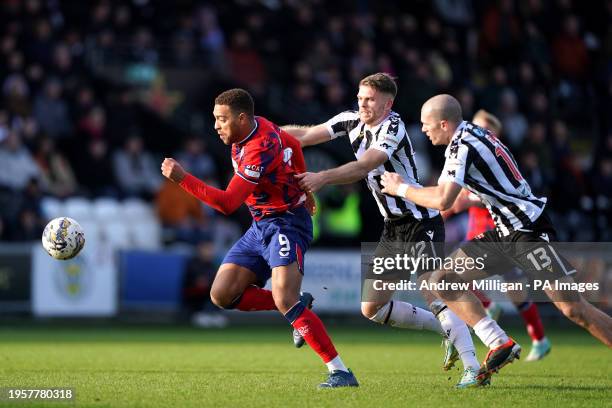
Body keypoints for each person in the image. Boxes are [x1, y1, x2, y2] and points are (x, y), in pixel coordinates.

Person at [381, 94, 612, 384]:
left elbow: (443, 199)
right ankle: (499, 342)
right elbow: (494, 181)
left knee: (573, 308)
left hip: (528, 231)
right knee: (441, 278)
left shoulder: (461, 145)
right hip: (504, 233)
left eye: (428, 125)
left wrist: (401, 188)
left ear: (444, 123)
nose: (424, 131)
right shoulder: (474, 133)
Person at [283, 73, 483, 388]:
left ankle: (473, 368)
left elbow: (366, 165)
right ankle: (448, 330)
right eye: (360, 97)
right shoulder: (351, 120)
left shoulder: (393, 127)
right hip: (393, 227)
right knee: (372, 307)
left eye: (370, 99)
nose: (363, 104)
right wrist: (265, 133)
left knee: (435, 292)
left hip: (420, 220)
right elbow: (306, 135)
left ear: (387, 103)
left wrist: (321, 177)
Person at [161, 88, 358, 389]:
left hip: (287, 224)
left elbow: (227, 203)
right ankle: (298, 306)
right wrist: (304, 186)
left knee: (284, 298)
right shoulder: (254, 128)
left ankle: (340, 372)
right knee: (222, 294)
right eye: (215, 119)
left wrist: (182, 179)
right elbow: (293, 143)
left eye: (222, 120)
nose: (216, 126)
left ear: (241, 118)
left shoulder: (258, 147)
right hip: (260, 225)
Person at [443, 109, 552, 362]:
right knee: (453, 276)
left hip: (501, 228)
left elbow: (495, 197)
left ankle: (531, 335)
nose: (476, 132)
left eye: (482, 128)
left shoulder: (493, 159)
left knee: (512, 285)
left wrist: (466, 201)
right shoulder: (466, 153)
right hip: (481, 229)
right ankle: (529, 334)